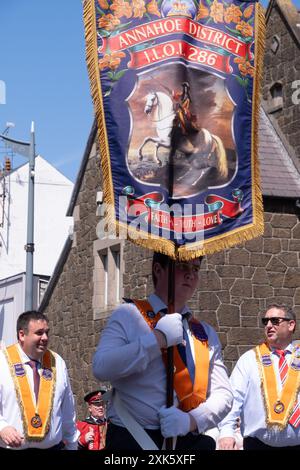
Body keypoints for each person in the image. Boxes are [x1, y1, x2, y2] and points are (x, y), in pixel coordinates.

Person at [93, 252, 233, 450]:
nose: (191, 275)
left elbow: (223, 393)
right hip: (132, 438)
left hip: (185, 437)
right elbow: (102, 367)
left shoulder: (204, 332)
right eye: (183, 266)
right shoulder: (127, 314)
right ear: (159, 270)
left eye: (195, 269)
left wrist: (192, 420)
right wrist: (156, 340)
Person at [218, 304, 300, 450]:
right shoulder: (249, 359)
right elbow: (233, 397)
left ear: (291, 325)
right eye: (265, 321)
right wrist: (226, 432)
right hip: (258, 445)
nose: (268, 325)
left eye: (275, 321)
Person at [0, 311, 78, 450]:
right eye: (39, 333)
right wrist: (2, 427)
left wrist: (72, 444)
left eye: (47, 332)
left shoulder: (57, 362)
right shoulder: (2, 361)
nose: (45, 337)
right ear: (22, 335)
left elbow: (67, 409)